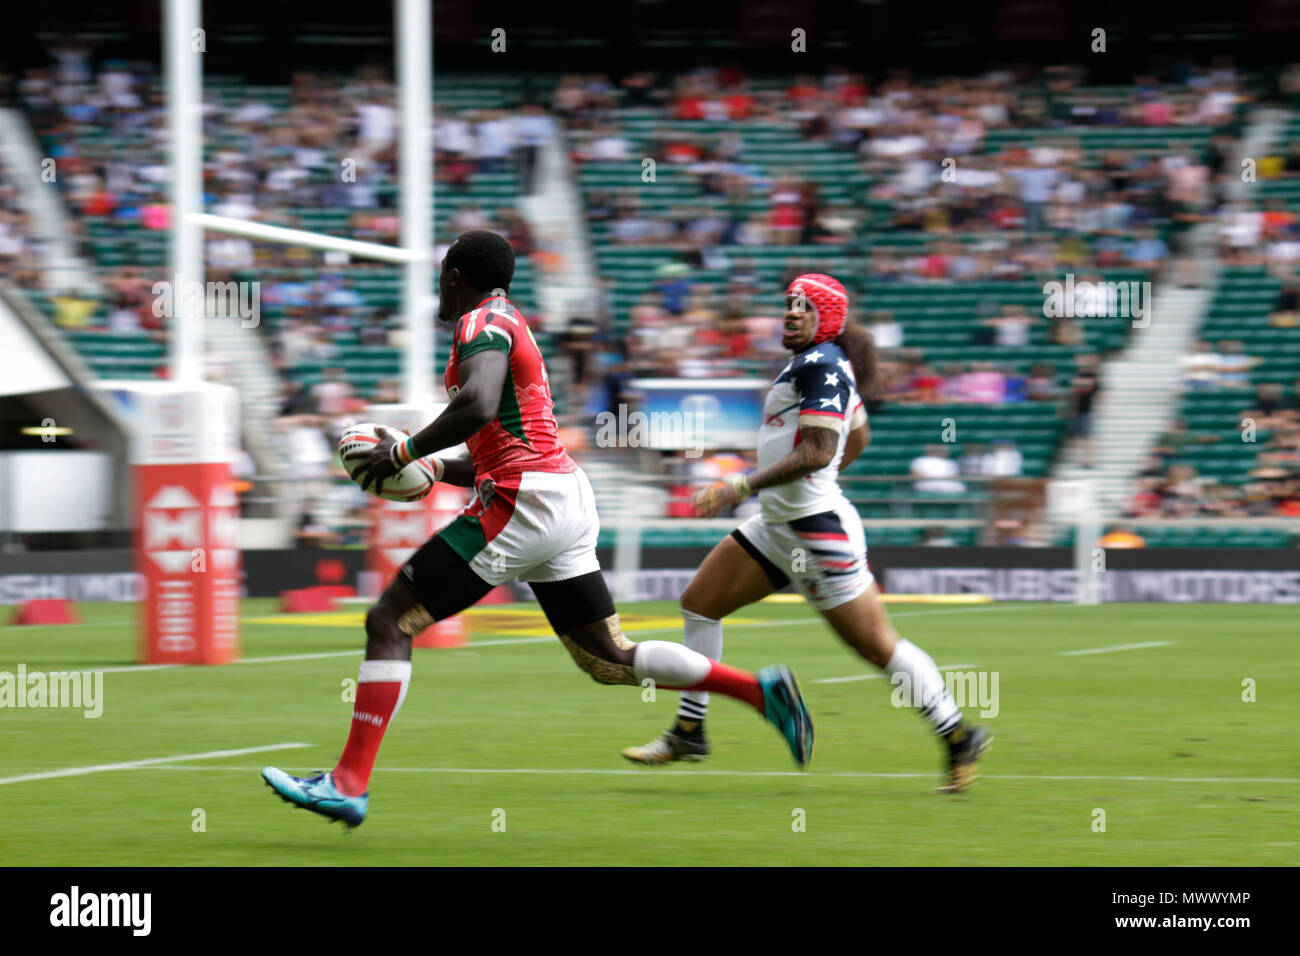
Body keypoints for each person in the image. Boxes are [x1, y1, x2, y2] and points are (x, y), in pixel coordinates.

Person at [261, 232, 812, 827]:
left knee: (389, 620)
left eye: (441, 274)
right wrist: (432, 465)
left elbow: (474, 405)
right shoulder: (509, 321)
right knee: (608, 658)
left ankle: (347, 783)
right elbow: (500, 440)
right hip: (561, 495)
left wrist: (401, 454)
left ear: (453, 274)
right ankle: (761, 692)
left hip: (525, 501)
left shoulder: (480, 324)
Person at [620, 274, 991, 793]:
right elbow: (856, 434)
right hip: (778, 524)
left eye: (805, 308)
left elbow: (819, 452)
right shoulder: (817, 365)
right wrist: (815, 478)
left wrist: (740, 486)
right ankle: (689, 731)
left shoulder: (823, 366)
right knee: (699, 604)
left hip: (816, 534)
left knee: (878, 648)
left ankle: (958, 736)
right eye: (789, 305)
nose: (791, 314)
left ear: (829, 320)